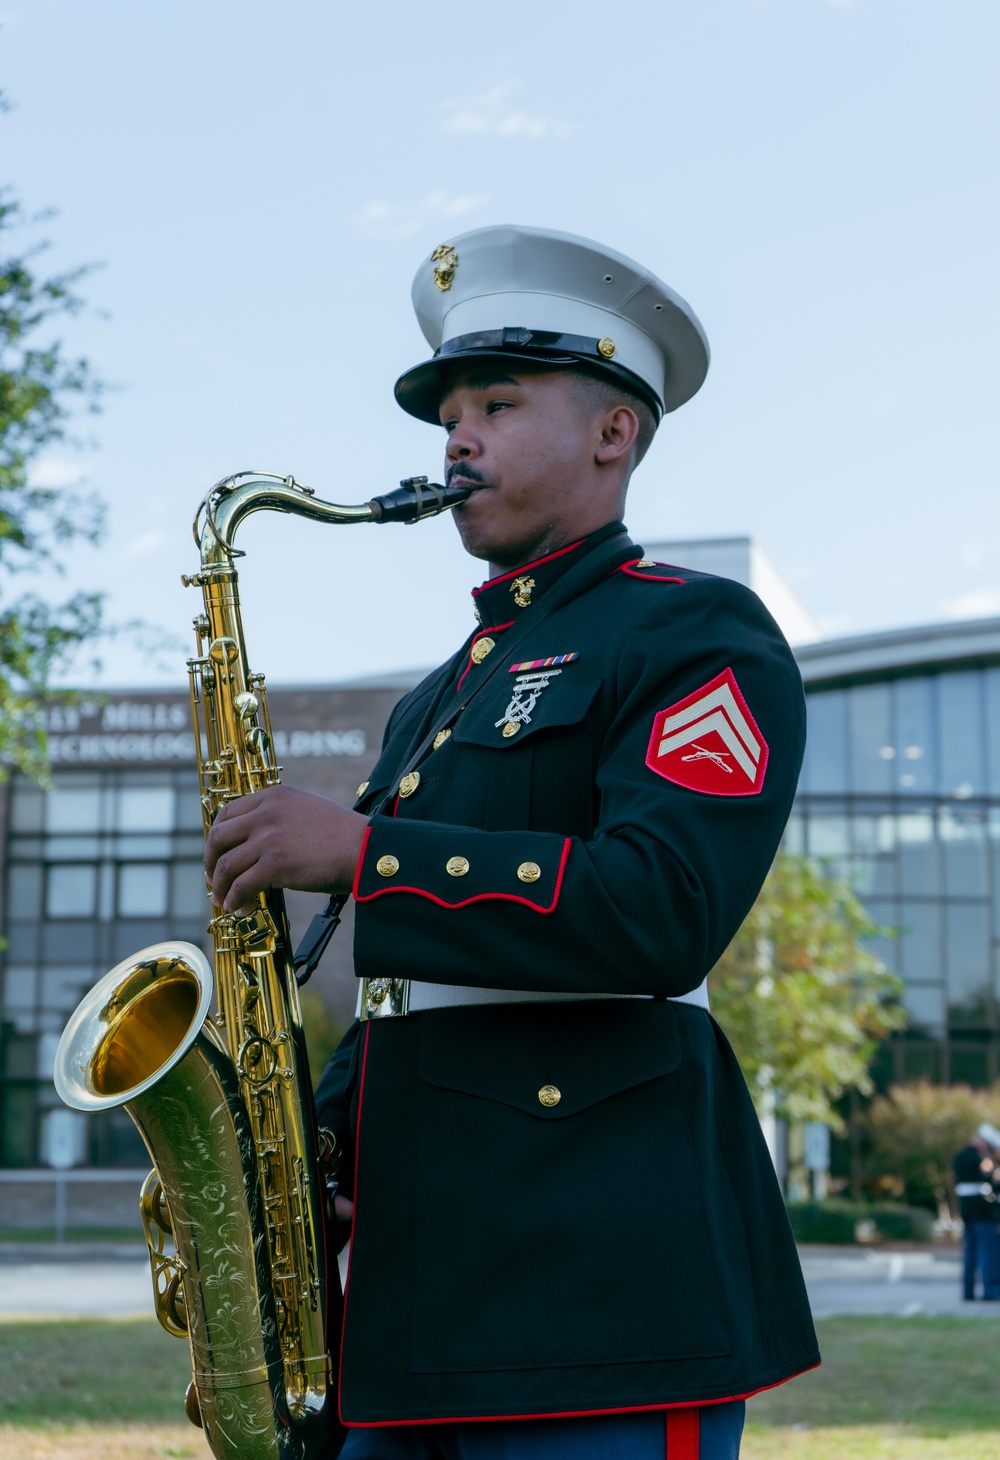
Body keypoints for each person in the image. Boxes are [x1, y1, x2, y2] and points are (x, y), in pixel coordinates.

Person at [204, 225, 819, 1460]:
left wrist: (369, 854)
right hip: (410, 1302)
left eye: (496, 401)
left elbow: (663, 908)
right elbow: (404, 993)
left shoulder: (697, 632)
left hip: (601, 1298)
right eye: (448, 416)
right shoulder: (439, 693)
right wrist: (290, 1153)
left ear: (613, 433)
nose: (456, 438)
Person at [952, 1122, 1000, 1301]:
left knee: (970, 1250)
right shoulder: (981, 1160)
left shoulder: (958, 1157)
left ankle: (968, 1291)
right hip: (982, 1211)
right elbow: (988, 1186)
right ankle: (991, 1290)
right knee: (989, 1249)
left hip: (966, 1210)